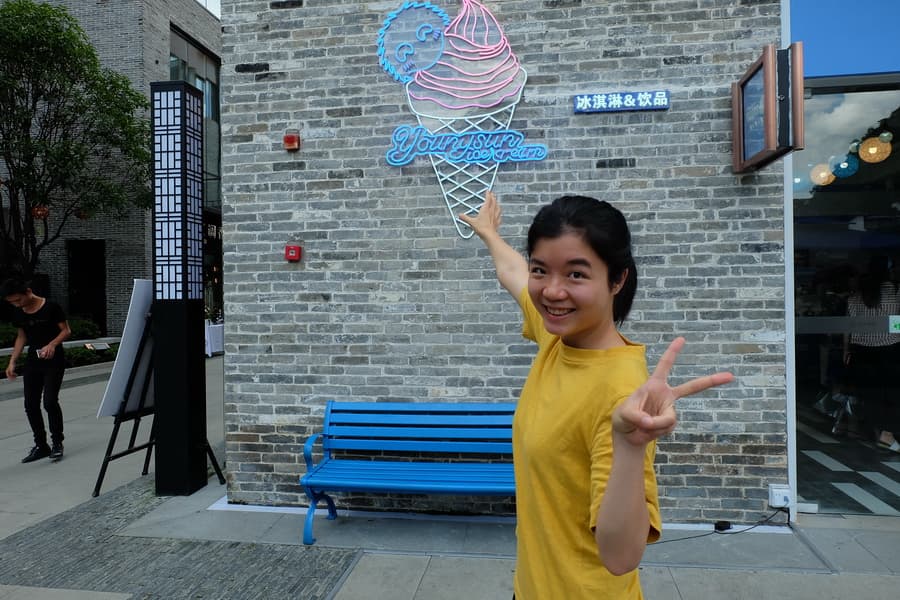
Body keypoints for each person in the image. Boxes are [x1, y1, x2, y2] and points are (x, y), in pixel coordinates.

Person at [459, 192, 733, 599]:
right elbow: (513, 271)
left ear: (617, 279)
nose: (552, 291)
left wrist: (629, 447)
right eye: (541, 270)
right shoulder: (558, 337)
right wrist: (490, 234)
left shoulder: (621, 395)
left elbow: (621, 557)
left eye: (576, 274)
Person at [1, 279, 71, 463]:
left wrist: (52, 344)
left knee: (50, 402)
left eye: (18, 300)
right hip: (33, 362)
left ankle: (57, 443)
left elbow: (66, 331)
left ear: (28, 291)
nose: (17, 305)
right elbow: (21, 337)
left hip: (54, 361)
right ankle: (41, 445)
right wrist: (12, 362)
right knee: (30, 404)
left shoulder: (51, 307)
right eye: (12, 303)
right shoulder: (19, 312)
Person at [843, 255, 900, 452]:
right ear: (888, 271)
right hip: (889, 349)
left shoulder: (855, 296)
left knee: (871, 395)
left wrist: (846, 350)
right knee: (891, 395)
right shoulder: (895, 292)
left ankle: (880, 433)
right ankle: (886, 435)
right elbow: (897, 323)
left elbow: (848, 327)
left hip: (861, 352)